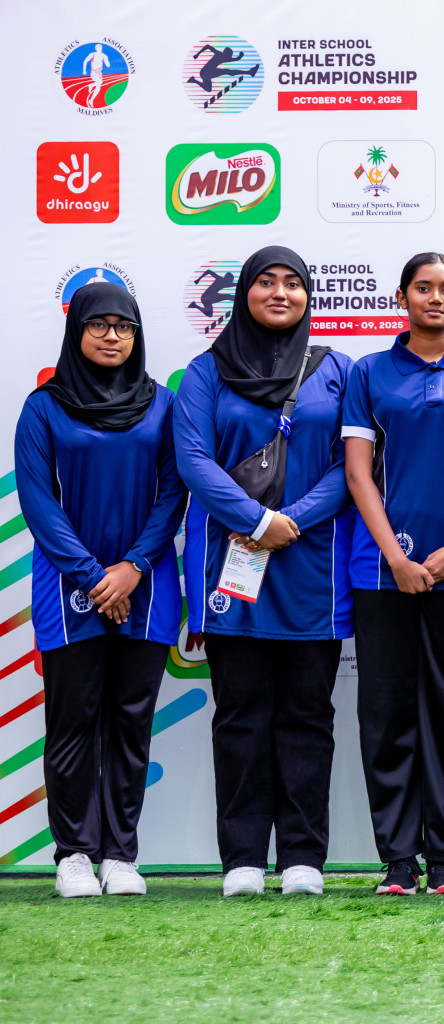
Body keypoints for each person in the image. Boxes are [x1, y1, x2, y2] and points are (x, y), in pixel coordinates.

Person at [176, 247, 354, 897]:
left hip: (311, 569)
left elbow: (352, 464)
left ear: (309, 295)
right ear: (242, 293)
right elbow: (193, 459)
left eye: (293, 283)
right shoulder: (205, 373)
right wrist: (256, 521)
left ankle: (304, 856)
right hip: (233, 566)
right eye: (265, 282)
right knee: (241, 716)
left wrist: (292, 521)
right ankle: (244, 858)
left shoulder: (338, 371)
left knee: (307, 716)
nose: (280, 293)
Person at [17, 283, 186, 898]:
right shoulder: (43, 408)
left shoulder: (163, 406)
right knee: (72, 720)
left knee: (130, 721)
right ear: (77, 332)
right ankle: (74, 855)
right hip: (69, 588)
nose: (112, 335)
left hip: (146, 583)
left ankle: (120, 855)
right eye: (99, 324)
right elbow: (39, 502)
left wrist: (134, 567)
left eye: (124, 325)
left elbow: (175, 492)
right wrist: (95, 576)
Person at [342, 253, 444, 897]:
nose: (435, 298)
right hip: (383, 576)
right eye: (423, 288)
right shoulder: (369, 372)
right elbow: (357, 473)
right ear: (402, 295)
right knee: (384, 714)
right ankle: (397, 861)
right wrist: (398, 560)